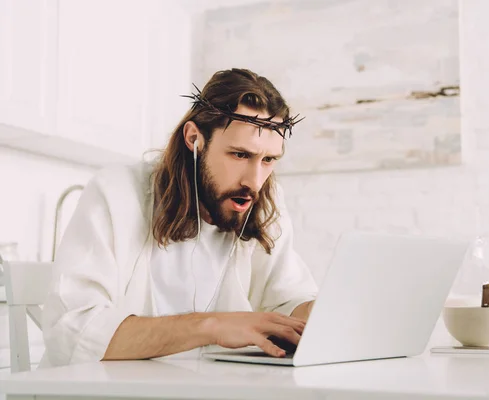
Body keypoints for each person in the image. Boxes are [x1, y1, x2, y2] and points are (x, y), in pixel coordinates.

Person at [40, 68, 318, 367]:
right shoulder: (117, 192)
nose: (255, 180)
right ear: (194, 139)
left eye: (268, 160)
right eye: (239, 155)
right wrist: (211, 326)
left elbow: (286, 300)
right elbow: (71, 331)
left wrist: (325, 314)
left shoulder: (264, 204)